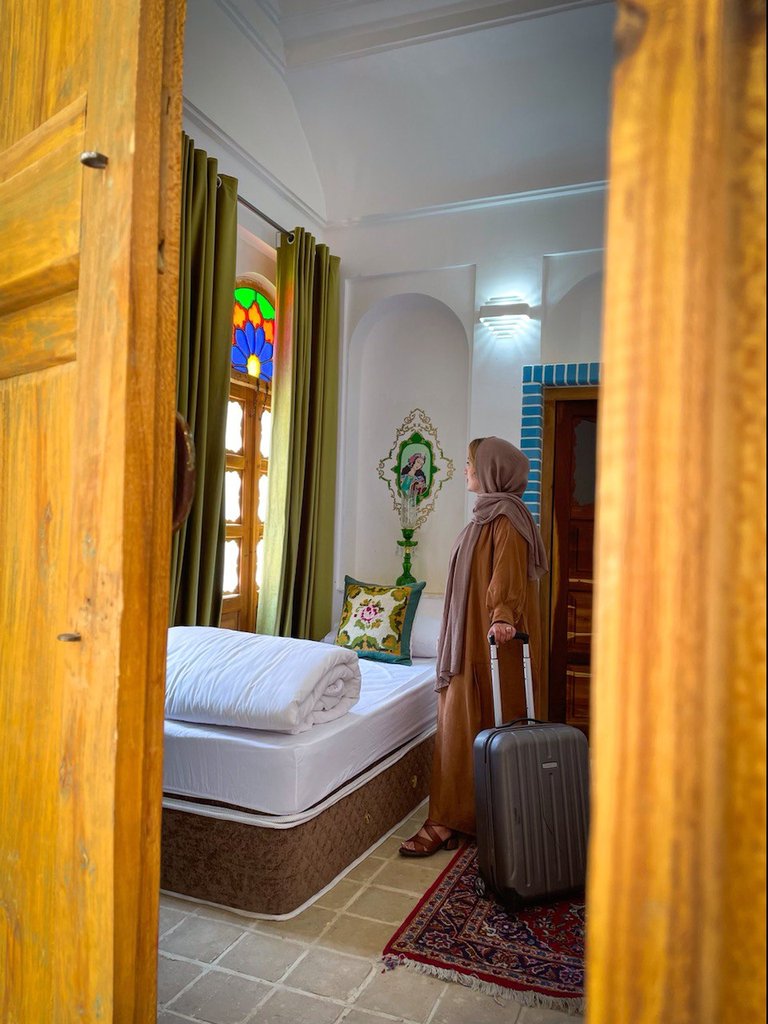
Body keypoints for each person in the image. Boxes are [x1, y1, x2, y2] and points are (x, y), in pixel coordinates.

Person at [399, 436, 548, 856]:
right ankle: (456, 817)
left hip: (493, 645)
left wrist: (503, 615)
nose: (466, 470)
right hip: (468, 641)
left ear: (491, 470)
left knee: (479, 724)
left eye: (470, 463)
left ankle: (457, 820)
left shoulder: (507, 520)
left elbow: (508, 572)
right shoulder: (483, 518)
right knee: (460, 724)